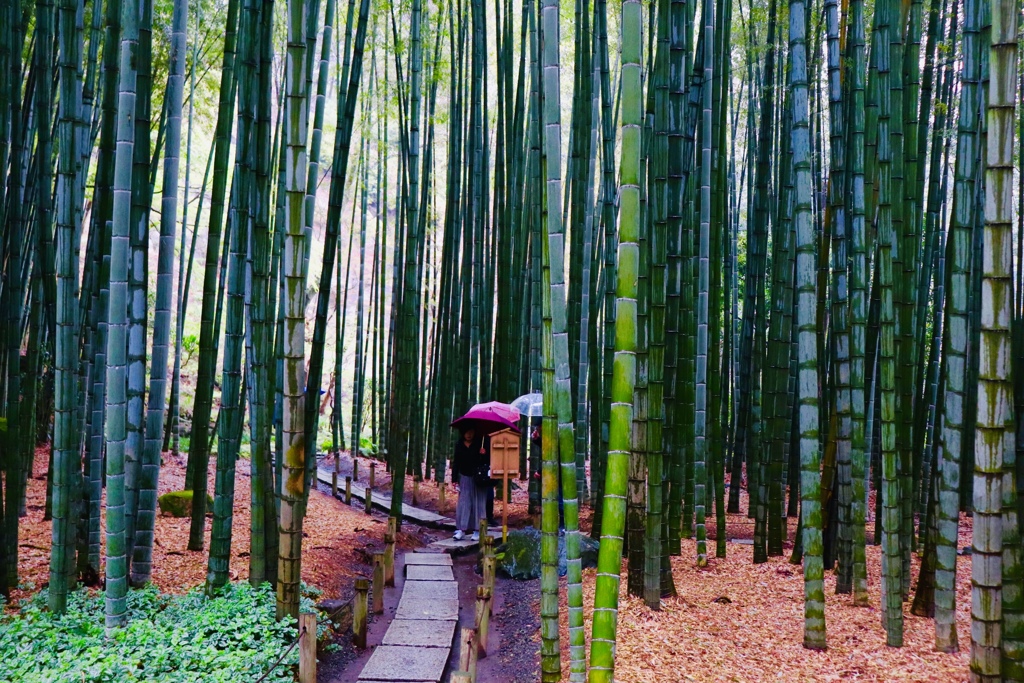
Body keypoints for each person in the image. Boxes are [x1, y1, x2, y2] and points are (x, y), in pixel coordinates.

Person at [452, 427, 488, 541]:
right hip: (464, 476)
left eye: (471, 432)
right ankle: (461, 529)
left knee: (479, 503)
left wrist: (483, 453)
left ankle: (478, 530)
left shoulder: (480, 443)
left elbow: (487, 462)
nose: (469, 434)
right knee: (464, 502)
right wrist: (454, 479)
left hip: (478, 477)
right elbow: (456, 462)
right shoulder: (459, 444)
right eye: (467, 432)